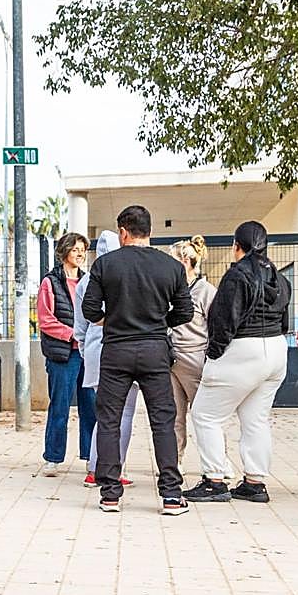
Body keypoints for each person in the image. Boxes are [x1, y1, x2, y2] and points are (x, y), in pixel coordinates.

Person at [81, 205, 193, 515]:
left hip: (116, 349)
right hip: (155, 350)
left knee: (110, 421)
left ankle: (110, 494)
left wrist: (113, 318)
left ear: (123, 232)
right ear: (150, 232)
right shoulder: (171, 267)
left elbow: (90, 311)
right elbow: (185, 311)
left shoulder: (105, 264)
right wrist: (158, 320)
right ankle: (171, 495)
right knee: (163, 422)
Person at [183, 221, 291, 504]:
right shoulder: (278, 278)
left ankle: (214, 480)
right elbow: (285, 321)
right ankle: (255, 483)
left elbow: (223, 320)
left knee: (205, 415)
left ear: (236, 246)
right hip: (277, 350)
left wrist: (214, 356)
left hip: (244, 348)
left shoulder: (237, 276)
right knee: (256, 419)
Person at [74, 230, 137, 488]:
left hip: (95, 347)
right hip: (127, 345)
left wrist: (83, 346)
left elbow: (80, 323)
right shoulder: (129, 276)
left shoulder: (85, 281)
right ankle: (114, 467)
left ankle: (94, 468)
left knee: (105, 413)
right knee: (125, 414)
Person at [37, 232, 97, 476]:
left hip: (87, 353)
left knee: (91, 406)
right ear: (64, 252)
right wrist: (71, 333)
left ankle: (91, 457)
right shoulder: (50, 283)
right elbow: (45, 319)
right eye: (75, 249)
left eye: (83, 249)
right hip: (63, 354)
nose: (80, 253)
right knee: (59, 405)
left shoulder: (90, 281)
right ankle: (53, 457)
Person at [167, 236, 216, 468]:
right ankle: (174, 461)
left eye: (172, 259)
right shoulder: (169, 288)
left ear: (185, 261)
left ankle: (217, 463)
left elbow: (216, 325)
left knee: (204, 416)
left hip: (195, 359)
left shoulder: (205, 290)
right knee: (174, 416)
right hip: (171, 359)